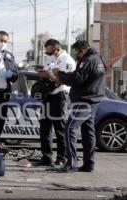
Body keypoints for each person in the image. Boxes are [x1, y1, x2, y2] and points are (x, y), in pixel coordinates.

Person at [52, 40, 106, 172]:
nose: (77, 55)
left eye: (77, 52)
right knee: (88, 132)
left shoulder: (87, 60)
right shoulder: (98, 59)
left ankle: (72, 163)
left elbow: (76, 80)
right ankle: (89, 164)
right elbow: (83, 78)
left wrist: (60, 73)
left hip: (84, 101)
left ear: (82, 50)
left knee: (70, 129)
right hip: (93, 99)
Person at [36, 39, 76, 167]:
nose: (48, 54)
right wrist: (44, 75)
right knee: (45, 128)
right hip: (48, 96)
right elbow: (47, 75)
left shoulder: (67, 61)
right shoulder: (50, 60)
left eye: (49, 51)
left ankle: (61, 158)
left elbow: (63, 80)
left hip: (59, 96)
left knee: (60, 129)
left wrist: (50, 75)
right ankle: (46, 158)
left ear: (56, 48)